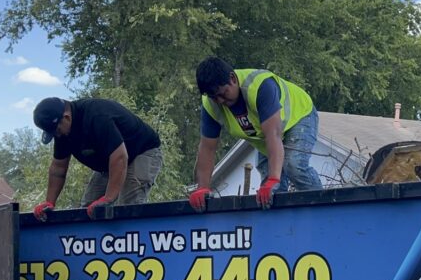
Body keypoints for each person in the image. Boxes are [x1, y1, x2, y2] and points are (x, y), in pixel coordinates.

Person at [189, 57, 322, 211]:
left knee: (294, 166)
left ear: (232, 79)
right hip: (266, 135)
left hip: (298, 117)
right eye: (214, 97)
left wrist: (274, 179)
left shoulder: (260, 86)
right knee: (269, 192)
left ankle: (325, 210)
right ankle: (278, 231)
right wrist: (202, 188)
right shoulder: (211, 105)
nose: (220, 101)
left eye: (223, 93)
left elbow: (274, 135)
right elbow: (207, 148)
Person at [31, 97, 162, 221]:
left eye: (56, 130)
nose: (57, 134)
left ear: (66, 117)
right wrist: (49, 202)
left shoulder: (96, 116)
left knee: (127, 206)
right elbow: (58, 168)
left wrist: (109, 198)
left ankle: (130, 241)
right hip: (111, 161)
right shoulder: (63, 132)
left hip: (142, 152)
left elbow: (120, 157)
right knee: (90, 208)